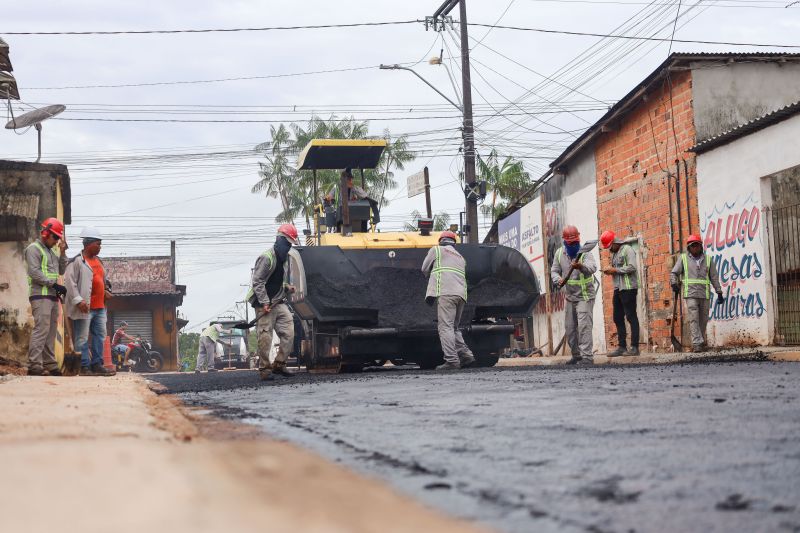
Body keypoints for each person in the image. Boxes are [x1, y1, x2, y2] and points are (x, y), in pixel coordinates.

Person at [249, 224, 299, 380]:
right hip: (263, 303)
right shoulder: (267, 257)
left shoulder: (282, 259)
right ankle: (264, 370)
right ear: (280, 240)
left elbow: (276, 281)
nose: (289, 247)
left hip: (277, 302)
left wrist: (287, 287)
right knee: (265, 337)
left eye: (291, 244)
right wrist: (264, 302)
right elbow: (258, 282)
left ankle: (279, 364)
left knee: (289, 331)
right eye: (288, 243)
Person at [421, 230, 476, 371]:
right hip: (461, 295)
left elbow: (424, 269)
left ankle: (451, 361)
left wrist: (430, 276)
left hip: (446, 293)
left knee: (445, 327)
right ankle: (466, 355)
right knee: (454, 328)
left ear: (441, 241)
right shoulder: (460, 257)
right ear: (454, 243)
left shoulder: (437, 250)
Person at [65, 227, 115, 376]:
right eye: (98, 244)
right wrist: (78, 300)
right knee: (82, 338)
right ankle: (84, 366)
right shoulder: (76, 261)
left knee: (100, 335)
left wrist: (106, 291)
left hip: (100, 307)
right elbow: (69, 282)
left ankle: (97, 365)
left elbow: (101, 281)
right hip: (85, 307)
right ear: (88, 244)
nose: (100, 247)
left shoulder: (99, 262)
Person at [25, 217, 68, 376]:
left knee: (50, 332)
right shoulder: (33, 249)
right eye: (55, 237)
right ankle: (34, 365)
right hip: (40, 296)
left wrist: (63, 252)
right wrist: (54, 284)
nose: (57, 241)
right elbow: (34, 273)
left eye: (58, 238)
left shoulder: (52, 252)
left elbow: (61, 270)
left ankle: (50, 364)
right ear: (45, 233)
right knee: (41, 330)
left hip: (51, 297)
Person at [551, 225, 598, 364]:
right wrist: (557, 279)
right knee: (570, 328)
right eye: (570, 243)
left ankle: (587, 357)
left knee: (584, 326)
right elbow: (554, 270)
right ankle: (576, 355)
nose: (573, 245)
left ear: (579, 239)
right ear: (564, 241)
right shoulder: (559, 253)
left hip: (585, 296)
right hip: (570, 297)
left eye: (575, 242)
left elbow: (593, 268)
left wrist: (581, 266)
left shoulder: (585, 252)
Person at [670, 234, 723, 352]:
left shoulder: (708, 260)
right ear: (689, 247)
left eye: (697, 245)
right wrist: (674, 283)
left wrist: (719, 292)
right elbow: (674, 273)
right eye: (692, 246)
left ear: (701, 247)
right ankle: (697, 343)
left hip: (704, 294)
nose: (695, 248)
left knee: (703, 319)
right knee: (694, 318)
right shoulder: (683, 258)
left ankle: (700, 341)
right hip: (691, 294)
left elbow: (714, 277)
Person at [601, 230, 640, 357]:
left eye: (610, 246)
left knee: (631, 316)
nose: (609, 249)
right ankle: (622, 346)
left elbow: (632, 267)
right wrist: (609, 271)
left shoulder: (627, 249)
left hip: (628, 288)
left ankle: (634, 347)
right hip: (618, 289)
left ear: (615, 242)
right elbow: (615, 270)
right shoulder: (615, 253)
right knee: (617, 317)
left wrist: (615, 270)